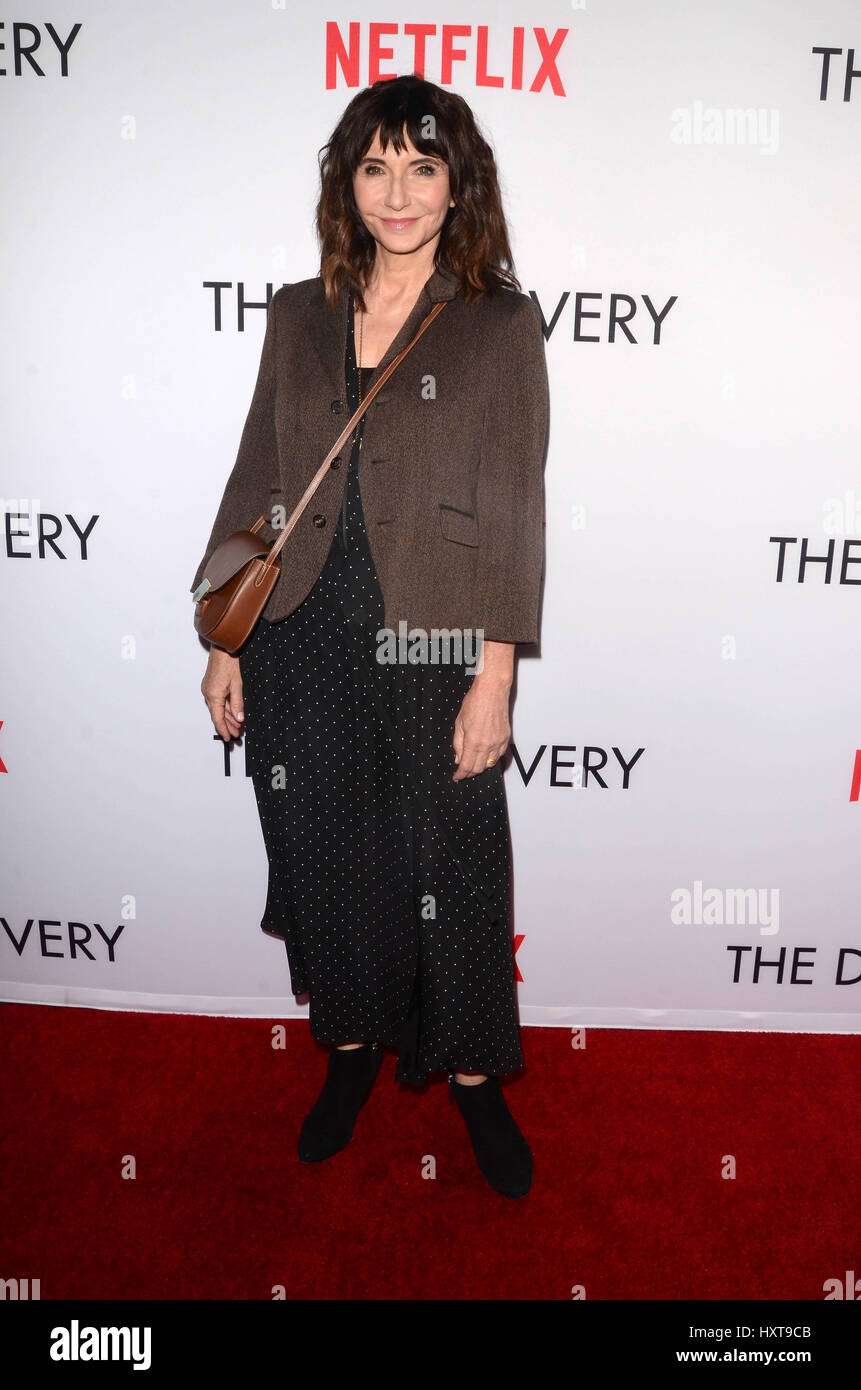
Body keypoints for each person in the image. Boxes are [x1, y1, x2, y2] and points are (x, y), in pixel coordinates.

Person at [190, 74, 549, 1198]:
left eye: (423, 167)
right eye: (377, 166)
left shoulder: (498, 322)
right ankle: (348, 1051)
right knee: (328, 855)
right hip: (300, 630)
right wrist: (224, 633)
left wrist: (495, 673)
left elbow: (515, 504)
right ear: (348, 183)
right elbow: (258, 473)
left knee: (455, 859)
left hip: (434, 631)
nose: (399, 192)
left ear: (457, 189)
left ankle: (476, 1076)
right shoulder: (299, 313)